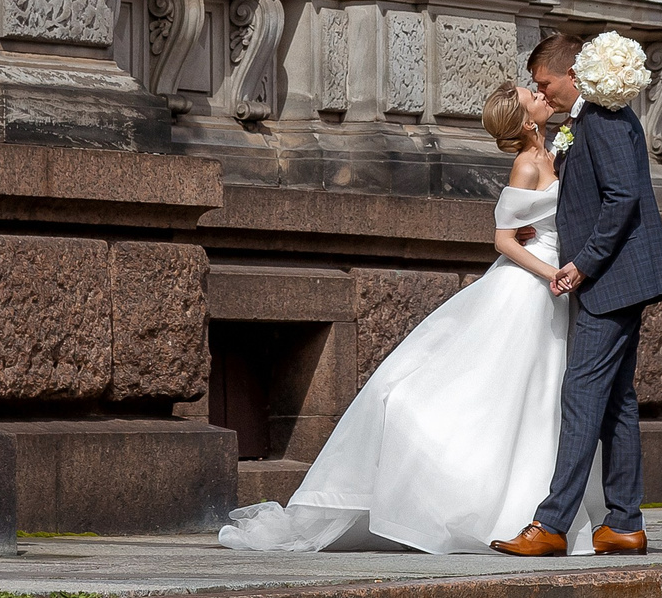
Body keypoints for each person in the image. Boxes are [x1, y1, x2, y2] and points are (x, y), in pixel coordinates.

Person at [214, 76, 606, 553]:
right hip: (526, 289)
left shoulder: (556, 151)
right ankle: (475, 500)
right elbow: (503, 238)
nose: (543, 96)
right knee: (493, 390)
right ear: (526, 121)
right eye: (534, 96)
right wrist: (551, 273)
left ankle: (535, 505)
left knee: (538, 397)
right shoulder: (526, 165)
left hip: (551, 293)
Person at [491, 29, 662, 558]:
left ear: (571, 75)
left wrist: (580, 265)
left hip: (611, 281)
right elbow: (585, 199)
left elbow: (622, 199)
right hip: (614, 280)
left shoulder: (601, 119)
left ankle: (552, 524)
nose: (541, 92)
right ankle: (623, 523)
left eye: (544, 82)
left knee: (580, 396)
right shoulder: (587, 122)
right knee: (616, 403)